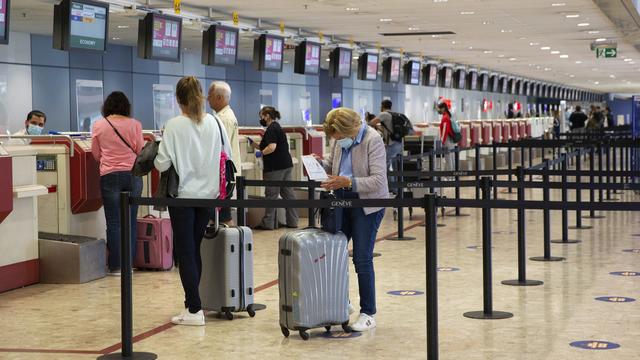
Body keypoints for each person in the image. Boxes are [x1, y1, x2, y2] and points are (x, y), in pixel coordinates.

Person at [154, 76, 231, 326]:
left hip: (183, 197)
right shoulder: (215, 122)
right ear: (201, 96)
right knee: (194, 248)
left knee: (185, 252)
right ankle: (192, 304)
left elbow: (161, 163)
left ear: (178, 99)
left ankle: (195, 309)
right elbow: (226, 154)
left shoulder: (174, 125)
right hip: (208, 196)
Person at [316, 107, 388, 332]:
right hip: (341, 201)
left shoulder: (372, 140)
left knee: (362, 258)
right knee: (333, 253)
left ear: (351, 129)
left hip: (367, 205)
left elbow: (377, 180)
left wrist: (348, 182)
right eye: (333, 138)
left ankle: (368, 312)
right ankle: (341, 303)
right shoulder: (339, 140)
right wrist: (319, 164)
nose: (336, 141)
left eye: (339, 137)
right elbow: (332, 164)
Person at [91, 92, 144, 276]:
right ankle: (129, 265)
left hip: (109, 176)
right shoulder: (135, 124)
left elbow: (96, 154)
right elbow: (139, 149)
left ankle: (116, 267)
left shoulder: (99, 125)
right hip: (132, 174)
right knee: (130, 221)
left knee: (113, 223)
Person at [248, 106, 298, 230]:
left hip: (275, 167)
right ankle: (293, 221)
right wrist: (254, 145)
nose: (261, 119)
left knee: (271, 194)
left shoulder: (271, 129)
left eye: (262, 116)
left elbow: (272, 147)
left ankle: (268, 223)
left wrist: (261, 153)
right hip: (286, 165)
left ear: (267, 116)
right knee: (288, 194)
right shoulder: (277, 127)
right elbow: (267, 146)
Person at [207, 81, 240, 226]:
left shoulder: (223, 119)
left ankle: (233, 245)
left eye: (210, 95)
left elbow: (220, 149)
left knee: (225, 217)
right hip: (225, 174)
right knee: (215, 216)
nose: (207, 98)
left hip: (223, 175)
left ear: (219, 97)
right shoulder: (225, 115)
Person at [367, 100, 402, 192]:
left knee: (384, 166)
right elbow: (387, 129)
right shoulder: (395, 114)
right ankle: (398, 189)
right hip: (399, 143)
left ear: (382, 106)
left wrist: (369, 119)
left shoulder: (384, 114)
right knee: (396, 168)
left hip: (391, 145)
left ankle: (393, 189)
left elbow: (370, 123)